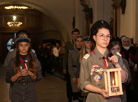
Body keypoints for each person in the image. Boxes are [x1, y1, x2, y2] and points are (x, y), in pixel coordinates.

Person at [79, 20, 128, 102]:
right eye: (101, 35)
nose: (105, 39)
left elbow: (124, 79)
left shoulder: (117, 56)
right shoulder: (88, 59)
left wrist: (116, 64)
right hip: (96, 98)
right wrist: (100, 91)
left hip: (114, 98)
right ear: (94, 37)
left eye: (108, 36)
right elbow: (84, 83)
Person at [5, 35, 42, 102]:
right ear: (18, 47)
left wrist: (30, 73)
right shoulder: (12, 61)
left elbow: (39, 77)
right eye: (21, 45)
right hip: (17, 90)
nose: (24, 47)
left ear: (29, 46)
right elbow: (8, 79)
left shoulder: (35, 61)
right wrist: (18, 74)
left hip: (30, 90)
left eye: (26, 45)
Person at [108, 37, 131, 102]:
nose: (115, 51)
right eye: (113, 49)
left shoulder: (124, 61)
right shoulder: (107, 61)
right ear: (109, 50)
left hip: (122, 90)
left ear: (120, 50)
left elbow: (128, 77)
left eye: (117, 49)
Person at [63, 28, 80, 102]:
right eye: (74, 34)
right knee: (70, 84)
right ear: (72, 35)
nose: (75, 35)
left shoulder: (81, 43)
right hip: (70, 65)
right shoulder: (68, 44)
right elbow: (65, 56)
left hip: (78, 66)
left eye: (77, 34)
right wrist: (64, 67)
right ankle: (69, 97)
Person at [68, 36, 83, 102]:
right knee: (75, 93)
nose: (79, 43)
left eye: (81, 41)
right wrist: (73, 76)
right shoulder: (72, 52)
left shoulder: (85, 52)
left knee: (82, 94)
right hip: (74, 71)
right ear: (75, 42)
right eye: (78, 41)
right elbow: (70, 65)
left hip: (82, 73)